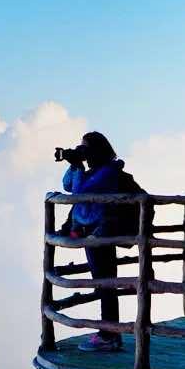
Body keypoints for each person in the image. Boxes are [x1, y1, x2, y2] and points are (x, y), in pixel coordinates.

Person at [58, 131, 137, 352]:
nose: (83, 151)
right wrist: (74, 164)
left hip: (102, 234)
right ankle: (109, 332)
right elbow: (67, 185)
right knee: (103, 282)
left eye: (86, 148)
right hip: (95, 232)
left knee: (105, 283)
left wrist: (79, 167)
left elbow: (80, 192)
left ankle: (109, 334)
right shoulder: (95, 171)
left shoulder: (108, 172)